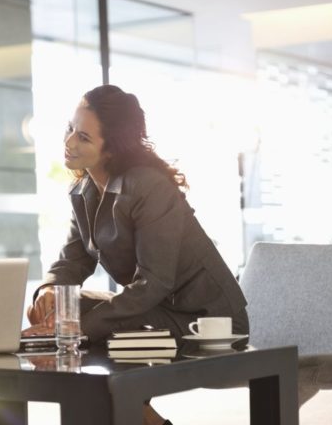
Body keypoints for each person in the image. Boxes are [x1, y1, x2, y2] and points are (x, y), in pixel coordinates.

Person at [24, 84, 248, 425]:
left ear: (112, 148)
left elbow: (154, 282)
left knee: (78, 324)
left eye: (83, 137)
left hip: (204, 318)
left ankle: (126, 409)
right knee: (61, 309)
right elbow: (73, 260)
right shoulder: (84, 190)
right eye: (70, 129)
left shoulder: (148, 186)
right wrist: (51, 292)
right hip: (156, 308)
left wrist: (78, 327)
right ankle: (134, 412)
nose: (69, 142)